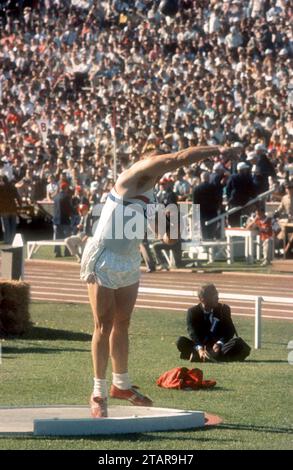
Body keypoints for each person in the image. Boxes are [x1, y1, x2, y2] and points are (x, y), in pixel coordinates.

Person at [80, 144, 240, 418]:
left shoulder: (151, 195)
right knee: (103, 325)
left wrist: (173, 224)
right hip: (105, 255)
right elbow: (178, 158)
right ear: (146, 158)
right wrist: (217, 148)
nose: (161, 161)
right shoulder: (132, 175)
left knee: (122, 323)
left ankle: (121, 384)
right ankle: (98, 390)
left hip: (129, 260)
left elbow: (165, 238)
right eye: (157, 155)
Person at [176, 283, 247, 363]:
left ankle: (199, 356)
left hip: (219, 347)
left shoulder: (223, 309)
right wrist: (200, 348)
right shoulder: (193, 312)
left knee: (238, 343)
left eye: (217, 295)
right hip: (201, 344)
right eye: (214, 297)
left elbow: (230, 331)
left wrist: (219, 344)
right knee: (180, 341)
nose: (218, 298)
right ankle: (206, 355)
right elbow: (193, 333)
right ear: (203, 299)